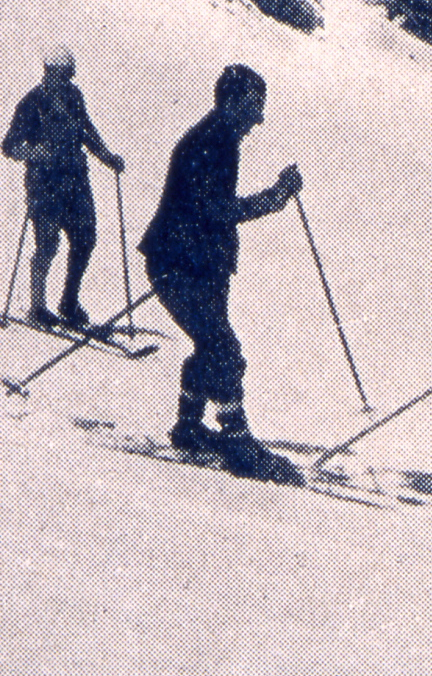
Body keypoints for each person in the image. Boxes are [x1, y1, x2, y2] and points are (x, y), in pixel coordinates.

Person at [138, 64, 304, 485]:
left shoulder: (220, 138)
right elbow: (215, 211)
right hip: (180, 265)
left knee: (210, 343)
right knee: (222, 348)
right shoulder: (210, 144)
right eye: (253, 107)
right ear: (230, 103)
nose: (259, 119)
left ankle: (190, 425)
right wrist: (275, 198)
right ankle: (236, 439)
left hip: (198, 264)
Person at [2, 47, 125, 330]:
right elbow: (9, 145)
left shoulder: (73, 96)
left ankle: (69, 301)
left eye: (69, 75)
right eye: (62, 75)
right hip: (45, 184)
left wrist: (107, 156)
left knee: (85, 238)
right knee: (47, 244)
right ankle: (37, 306)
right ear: (49, 72)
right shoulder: (32, 103)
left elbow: (86, 131)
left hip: (76, 180)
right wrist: (35, 152)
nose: (67, 80)